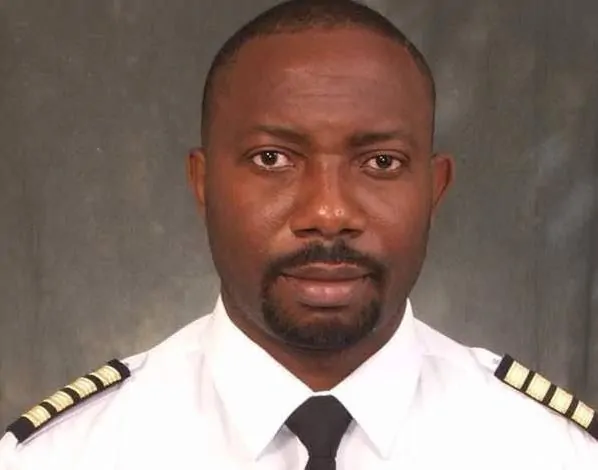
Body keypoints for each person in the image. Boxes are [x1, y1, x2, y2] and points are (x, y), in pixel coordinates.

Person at [1, 0, 596, 468]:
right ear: (203, 183)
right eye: (272, 159)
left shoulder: (556, 454)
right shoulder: (61, 457)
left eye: (381, 162)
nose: (329, 212)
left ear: (434, 189)